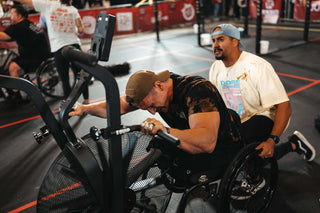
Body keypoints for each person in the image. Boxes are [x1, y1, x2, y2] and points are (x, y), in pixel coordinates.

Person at [70, 70, 243, 185]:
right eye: (146, 108)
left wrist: (164, 130)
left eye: (153, 106)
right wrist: (84, 109)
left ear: (160, 86)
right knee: (159, 147)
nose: (152, 112)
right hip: (193, 135)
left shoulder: (197, 91)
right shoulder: (150, 91)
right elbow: (117, 106)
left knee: (166, 145)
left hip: (224, 142)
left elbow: (207, 142)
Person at [209, 24, 316, 162]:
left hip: (263, 116)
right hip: (237, 119)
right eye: (214, 40)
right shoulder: (215, 68)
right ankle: (294, 144)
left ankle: (260, 166)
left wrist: (272, 141)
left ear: (235, 41)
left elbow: (285, 107)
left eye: (221, 39)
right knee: (221, 149)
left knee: (239, 153)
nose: (215, 45)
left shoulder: (257, 66)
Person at [15, 0, 89, 104]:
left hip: (59, 48)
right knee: (81, 76)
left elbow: (29, 2)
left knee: (65, 80)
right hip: (74, 46)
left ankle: (69, 106)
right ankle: (86, 100)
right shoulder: (73, 10)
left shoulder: (48, 5)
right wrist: (74, 30)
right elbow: (80, 29)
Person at [0, 5, 50, 103]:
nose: (10, 16)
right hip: (42, 54)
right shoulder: (29, 24)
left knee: (12, 66)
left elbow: (3, 36)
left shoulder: (19, 26)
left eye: (12, 14)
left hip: (35, 57)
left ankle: (16, 95)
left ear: (19, 16)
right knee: (11, 61)